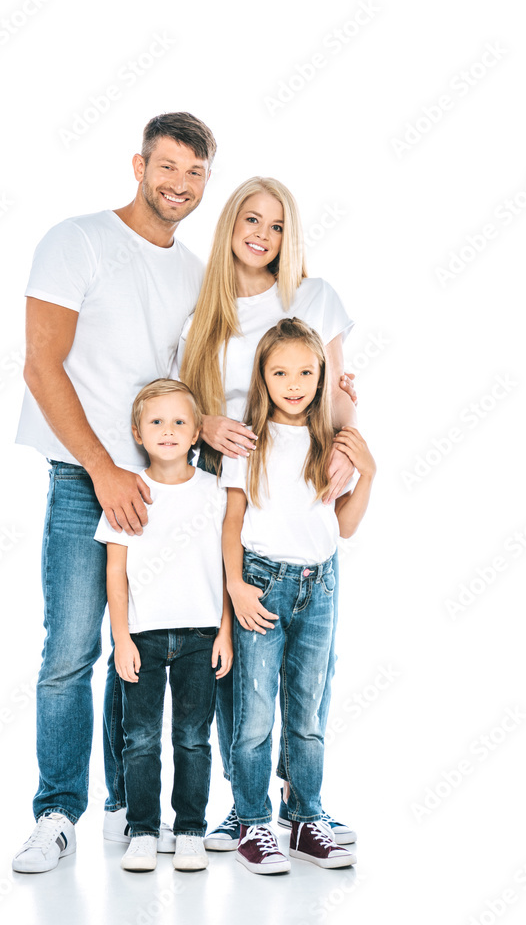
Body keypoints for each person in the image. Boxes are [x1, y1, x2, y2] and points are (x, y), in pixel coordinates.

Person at [11, 112, 217, 874]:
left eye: (194, 173)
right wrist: (102, 469)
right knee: (70, 649)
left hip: (161, 485)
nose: (179, 185)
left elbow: (196, 384)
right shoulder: (76, 242)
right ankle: (55, 812)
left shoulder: (195, 273)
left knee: (141, 645)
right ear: (139, 165)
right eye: (167, 167)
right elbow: (41, 367)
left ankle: (125, 805)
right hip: (83, 478)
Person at [176, 177, 359, 849]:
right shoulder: (204, 318)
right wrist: (204, 422)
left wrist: (351, 447)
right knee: (236, 669)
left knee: (305, 689)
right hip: (227, 495)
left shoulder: (313, 298)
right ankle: (245, 807)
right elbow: (179, 405)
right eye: (250, 220)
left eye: (277, 225)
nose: (262, 234)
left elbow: (338, 392)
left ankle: (296, 805)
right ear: (228, 226)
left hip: (300, 494)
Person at [221, 318, 376, 874]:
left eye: (306, 372)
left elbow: (345, 527)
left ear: (323, 377)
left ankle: (306, 816)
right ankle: (251, 820)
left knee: (308, 712)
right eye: (280, 371)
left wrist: (369, 473)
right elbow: (232, 520)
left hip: (321, 585)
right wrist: (236, 585)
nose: (294, 383)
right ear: (262, 376)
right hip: (262, 585)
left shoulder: (328, 443)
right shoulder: (249, 441)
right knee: (256, 713)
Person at [95, 380, 232, 872]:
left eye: (179, 422)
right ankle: (144, 830)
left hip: (199, 635)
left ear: (198, 432)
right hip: (144, 637)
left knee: (194, 736)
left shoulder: (216, 492)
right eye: (156, 422)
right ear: (137, 431)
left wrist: (225, 632)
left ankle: (191, 829)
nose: (168, 430)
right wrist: (122, 639)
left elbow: (225, 565)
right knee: (141, 738)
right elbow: (115, 572)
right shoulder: (126, 491)